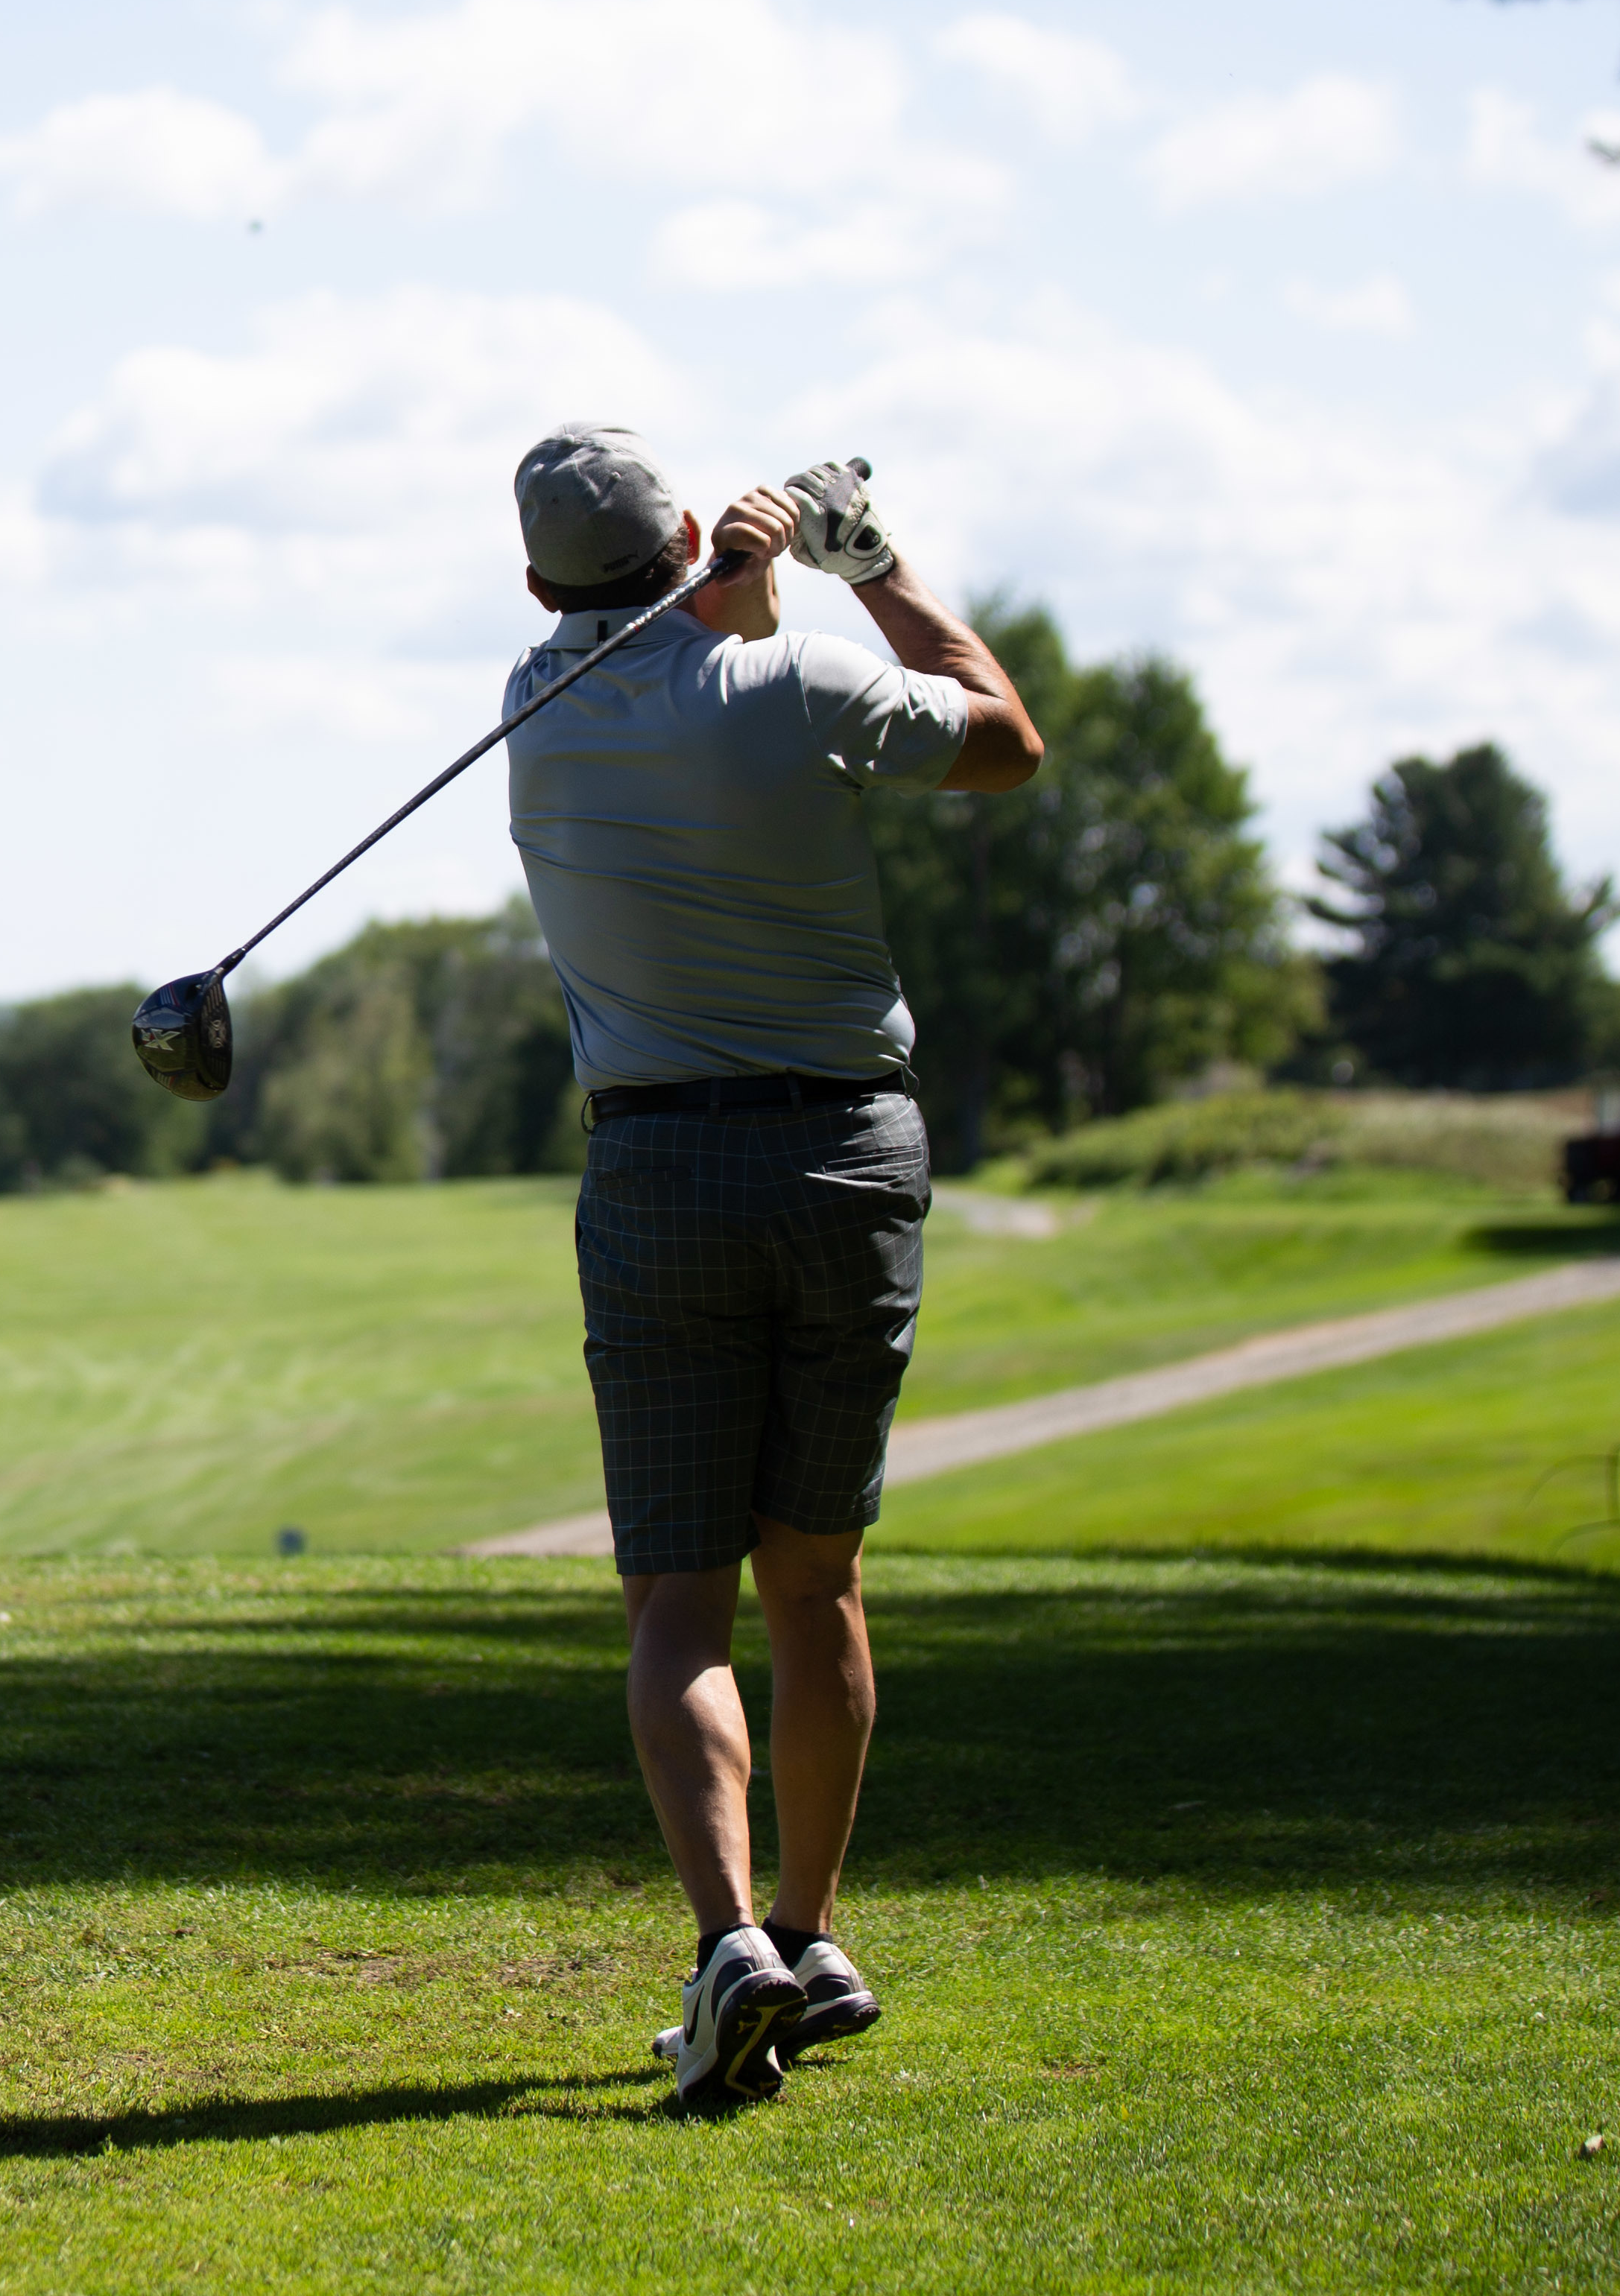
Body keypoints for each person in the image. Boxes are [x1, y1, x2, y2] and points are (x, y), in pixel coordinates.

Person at [499, 424, 1045, 2115]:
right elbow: (1007, 742)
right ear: (686, 524)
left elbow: (664, 648)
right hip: (849, 1159)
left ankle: (731, 1941)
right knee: (818, 1587)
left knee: (680, 1603)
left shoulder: (528, 710)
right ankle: (808, 1938)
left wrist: (731, 588)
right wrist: (860, 558)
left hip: (660, 1167)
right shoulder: (806, 683)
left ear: (536, 584)